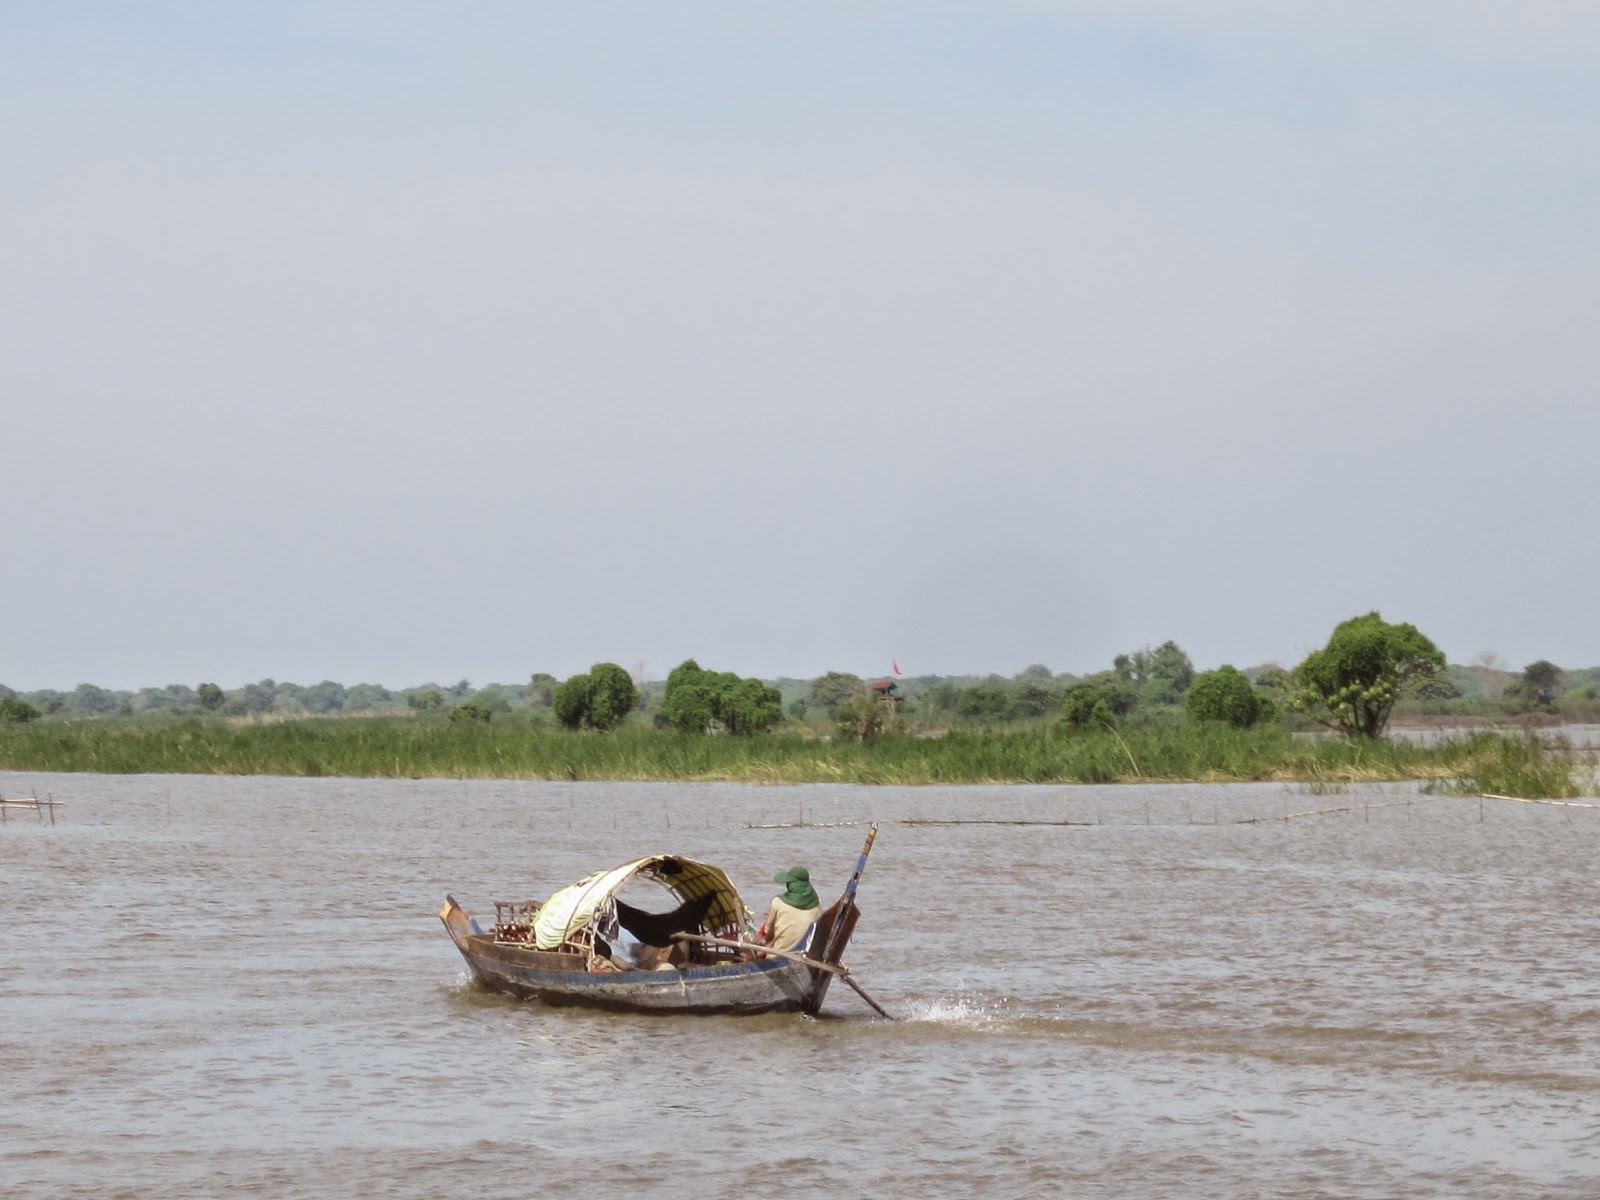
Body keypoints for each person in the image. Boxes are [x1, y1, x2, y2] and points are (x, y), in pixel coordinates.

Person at [758, 865, 822, 953]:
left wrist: (763, 938)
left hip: (778, 954)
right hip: (805, 953)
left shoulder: (777, 902)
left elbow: (768, 932)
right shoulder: (817, 905)